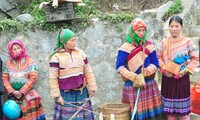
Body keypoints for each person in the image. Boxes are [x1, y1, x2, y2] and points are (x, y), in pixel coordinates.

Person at [116, 18, 163, 120]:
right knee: (135, 114)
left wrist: (146, 72)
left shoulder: (149, 45)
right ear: (132, 32)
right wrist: (134, 77)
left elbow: (155, 62)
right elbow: (119, 66)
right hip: (132, 85)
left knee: (151, 115)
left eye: (143, 30)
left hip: (148, 83)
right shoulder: (125, 48)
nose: (142, 33)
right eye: (138, 30)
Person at [49, 29, 97, 120]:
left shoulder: (80, 54)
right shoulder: (56, 57)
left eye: (75, 40)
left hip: (81, 92)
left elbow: (88, 71)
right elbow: (53, 78)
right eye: (72, 40)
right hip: (65, 95)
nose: (75, 42)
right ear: (64, 42)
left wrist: (92, 88)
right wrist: (58, 96)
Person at [157, 16, 199, 120]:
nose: (174, 29)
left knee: (184, 114)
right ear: (168, 28)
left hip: (182, 79)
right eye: (172, 26)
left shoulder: (188, 42)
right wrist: (164, 70)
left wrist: (185, 70)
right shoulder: (163, 43)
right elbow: (158, 58)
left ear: (182, 27)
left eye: (177, 26)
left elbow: (196, 59)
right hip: (168, 79)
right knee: (170, 114)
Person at [2, 40, 46, 120]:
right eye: (14, 49)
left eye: (18, 48)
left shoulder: (29, 61)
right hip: (13, 97)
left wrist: (22, 91)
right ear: (10, 51)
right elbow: (5, 79)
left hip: (28, 96)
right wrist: (12, 91)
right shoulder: (8, 63)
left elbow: (34, 77)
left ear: (22, 48)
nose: (17, 50)